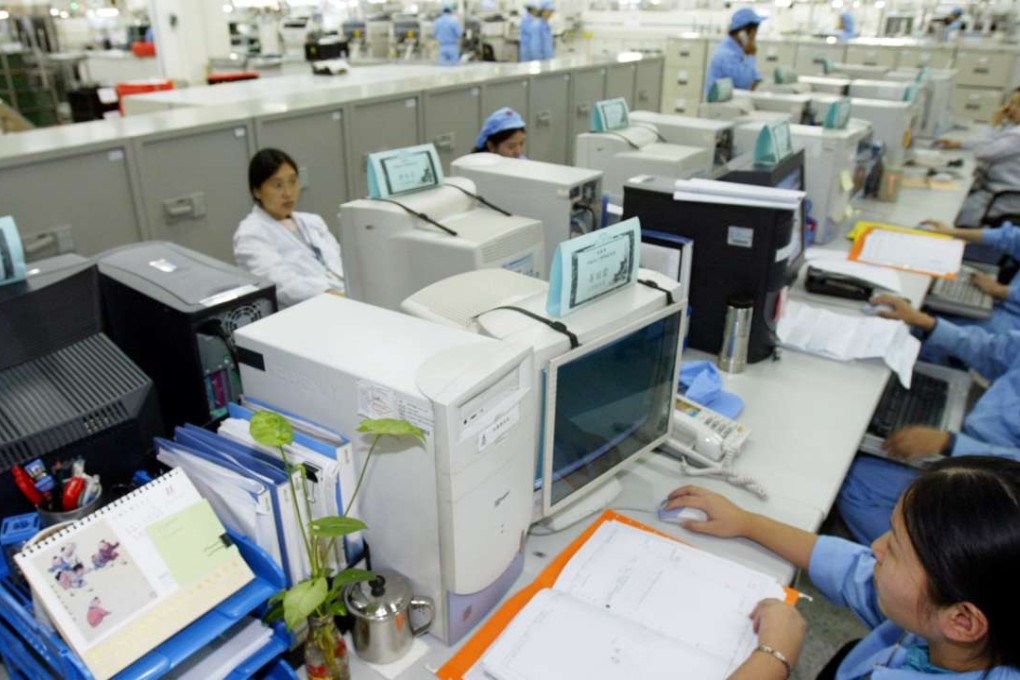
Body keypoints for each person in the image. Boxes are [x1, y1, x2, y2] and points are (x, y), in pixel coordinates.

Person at [667, 456, 1020, 679]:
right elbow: (853, 569)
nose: (875, 547)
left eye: (894, 547)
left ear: (962, 620)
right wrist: (747, 523)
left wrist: (775, 656)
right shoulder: (959, 627)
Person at [836, 295, 1020, 544]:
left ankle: (930, 571)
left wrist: (950, 444)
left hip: (999, 482)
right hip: (968, 426)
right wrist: (924, 321)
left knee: (858, 483)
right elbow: (992, 351)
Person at [234, 148, 344, 308]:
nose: (288, 193)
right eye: (277, 185)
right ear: (256, 191)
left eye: (293, 182)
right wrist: (337, 296)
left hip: (341, 297)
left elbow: (340, 261)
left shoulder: (312, 221)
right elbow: (283, 285)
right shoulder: (250, 234)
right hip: (303, 311)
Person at [934, 88, 1020, 227]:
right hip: (998, 191)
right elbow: (993, 142)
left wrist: (994, 124)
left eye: (1017, 105)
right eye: (1011, 103)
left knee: (952, 209)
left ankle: (959, 240)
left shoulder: (1017, 136)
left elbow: (984, 151)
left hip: (1003, 198)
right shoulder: (1014, 129)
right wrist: (960, 143)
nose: (1010, 109)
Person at [919, 218, 1020, 335]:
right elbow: (1011, 238)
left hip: (1011, 325)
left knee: (925, 325)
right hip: (1005, 298)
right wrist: (953, 232)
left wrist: (1000, 291)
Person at [704, 8, 765, 99]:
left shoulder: (739, 51)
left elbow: (757, 78)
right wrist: (751, 54)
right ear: (742, 33)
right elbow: (745, 83)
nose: (754, 37)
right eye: (754, 32)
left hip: (734, 102)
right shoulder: (726, 54)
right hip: (721, 108)